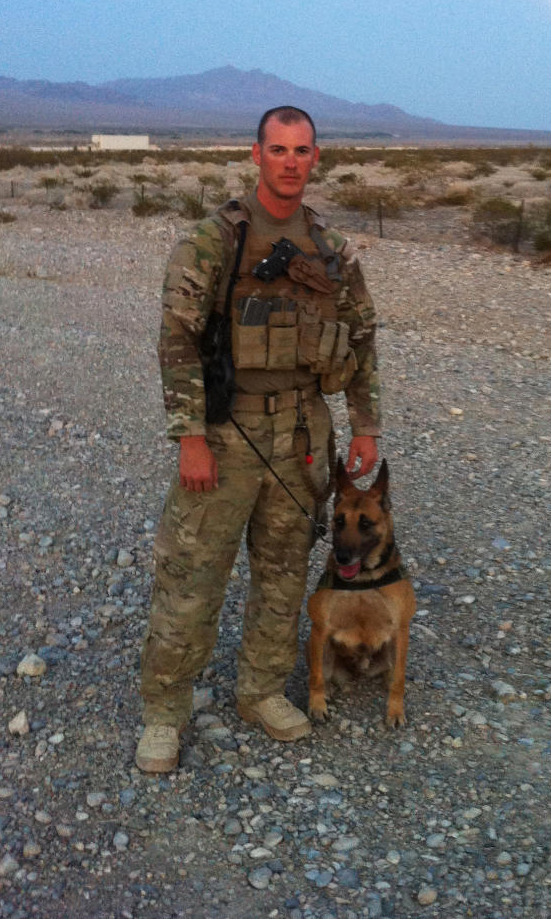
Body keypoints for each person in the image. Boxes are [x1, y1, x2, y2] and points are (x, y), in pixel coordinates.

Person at [135, 106, 381, 773]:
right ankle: (163, 711)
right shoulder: (213, 240)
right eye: (278, 148)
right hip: (226, 433)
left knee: (282, 574)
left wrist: (365, 424)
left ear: (316, 157)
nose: (291, 161)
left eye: (302, 149)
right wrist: (189, 436)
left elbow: (361, 336)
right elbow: (177, 340)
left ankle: (261, 690)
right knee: (192, 577)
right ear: (256, 154)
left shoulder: (331, 248)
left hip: (301, 433)